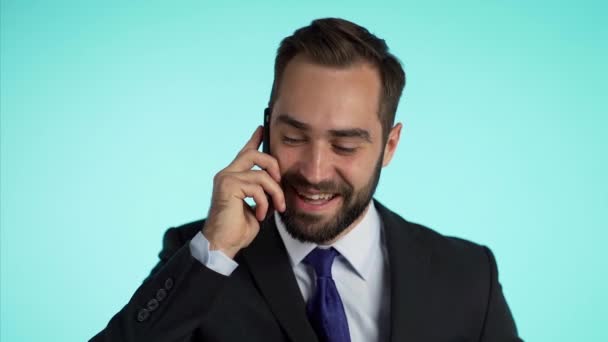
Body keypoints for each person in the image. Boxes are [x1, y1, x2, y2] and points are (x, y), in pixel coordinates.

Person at [91, 18, 522, 342]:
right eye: (293, 137)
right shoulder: (201, 263)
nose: (314, 171)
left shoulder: (468, 277)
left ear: (389, 146)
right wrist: (215, 251)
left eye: (346, 146)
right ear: (266, 129)